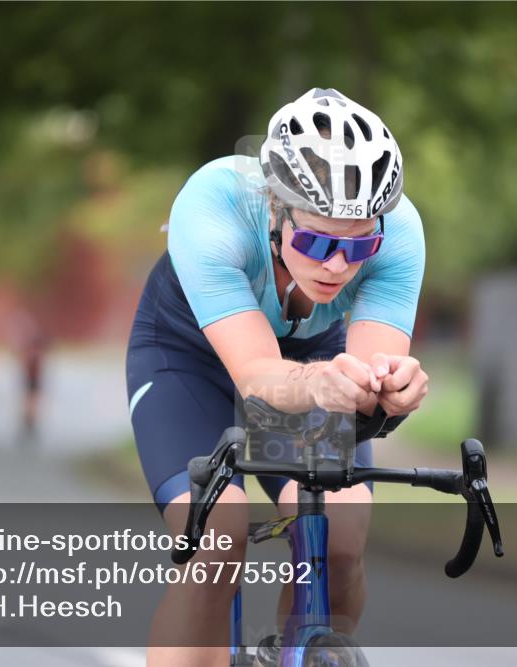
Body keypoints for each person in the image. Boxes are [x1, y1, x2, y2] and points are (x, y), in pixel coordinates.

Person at [125, 87, 428, 666]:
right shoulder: (213, 205)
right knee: (218, 536)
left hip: (312, 360)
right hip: (189, 358)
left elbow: (372, 376)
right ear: (275, 208)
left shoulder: (401, 234)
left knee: (341, 539)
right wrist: (319, 384)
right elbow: (260, 375)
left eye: (358, 243)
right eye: (316, 240)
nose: (338, 264)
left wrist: (392, 390)